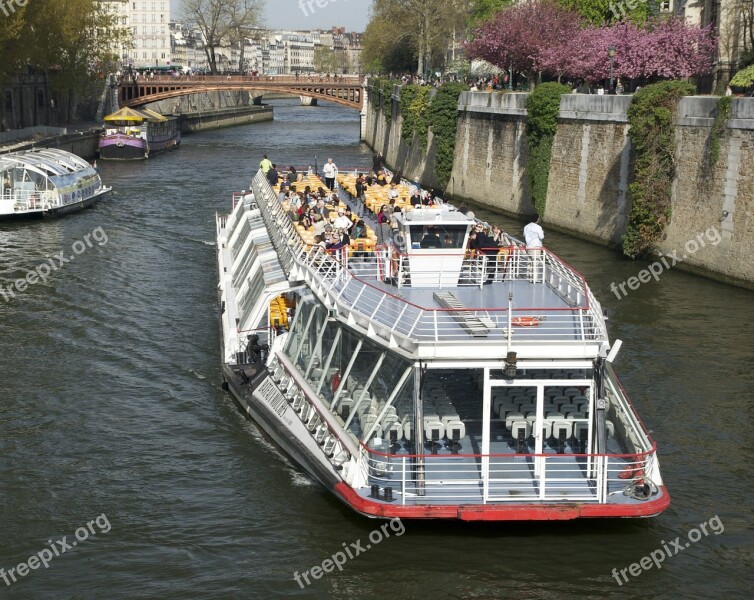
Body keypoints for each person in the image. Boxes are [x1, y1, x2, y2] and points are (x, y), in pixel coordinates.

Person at [523, 214, 545, 280]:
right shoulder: (538, 227)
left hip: (529, 247)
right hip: (536, 247)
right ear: (537, 219)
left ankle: (529, 277)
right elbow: (542, 237)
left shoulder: (526, 227)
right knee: (535, 263)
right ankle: (534, 279)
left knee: (529, 262)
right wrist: (543, 232)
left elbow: (524, 235)